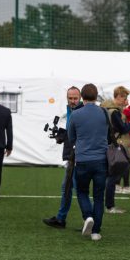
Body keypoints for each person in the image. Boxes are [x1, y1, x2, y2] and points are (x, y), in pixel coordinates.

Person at [67, 83, 112, 241]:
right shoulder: (104, 112)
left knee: (81, 191)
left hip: (83, 159)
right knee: (99, 196)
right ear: (96, 95)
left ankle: (87, 216)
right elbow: (108, 132)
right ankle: (96, 232)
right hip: (101, 160)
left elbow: (71, 138)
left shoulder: (76, 114)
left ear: (82, 97)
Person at [101, 86, 130, 214]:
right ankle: (110, 206)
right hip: (114, 147)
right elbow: (124, 129)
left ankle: (106, 205)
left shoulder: (105, 109)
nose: (125, 101)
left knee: (107, 177)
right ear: (119, 96)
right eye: (124, 98)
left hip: (106, 145)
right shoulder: (114, 112)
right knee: (112, 178)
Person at [43, 86, 81, 229]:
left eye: (75, 98)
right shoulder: (69, 110)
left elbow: (80, 133)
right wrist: (62, 136)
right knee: (67, 187)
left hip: (79, 156)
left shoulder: (80, 111)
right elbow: (72, 132)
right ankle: (61, 218)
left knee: (77, 189)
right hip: (72, 155)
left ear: (80, 97)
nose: (72, 101)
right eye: (70, 98)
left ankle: (89, 219)